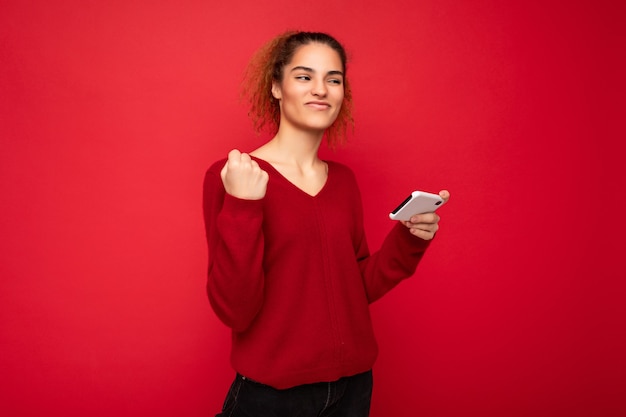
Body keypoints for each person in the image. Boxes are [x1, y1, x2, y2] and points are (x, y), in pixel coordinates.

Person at [203, 31, 450, 417]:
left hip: (353, 389)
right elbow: (235, 309)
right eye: (304, 76)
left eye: (333, 79)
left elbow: (356, 286)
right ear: (276, 86)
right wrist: (242, 205)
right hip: (273, 398)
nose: (320, 89)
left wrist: (408, 239)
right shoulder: (235, 175)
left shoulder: (344, 181)